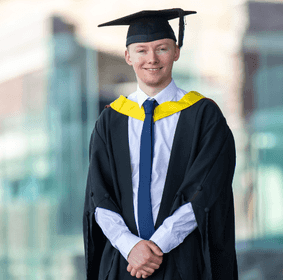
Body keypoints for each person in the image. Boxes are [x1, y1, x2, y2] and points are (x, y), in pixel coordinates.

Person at [83, 8, 238, 280]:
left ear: (176, 52)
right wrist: (130, 246)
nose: (152, 59)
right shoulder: (110, 120)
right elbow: (99, 195)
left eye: (162, 48)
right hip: (124, 262)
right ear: (128, 56)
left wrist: (155, 247)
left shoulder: (204, 116)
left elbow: (206, 191)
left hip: (184, 261)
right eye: (141, 50)